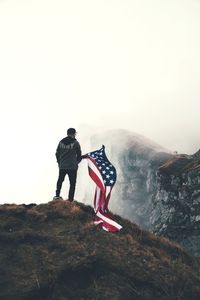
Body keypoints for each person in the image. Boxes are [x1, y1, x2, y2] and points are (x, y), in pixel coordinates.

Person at [53, 128, 82, 201]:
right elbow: (79, 154)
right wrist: (77, 162)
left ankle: (57, 195)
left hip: (62, 166)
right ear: (73, 134)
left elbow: (57, 153)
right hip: (72, 167)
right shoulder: (75, 143)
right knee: (72, 183)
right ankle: (70, 199)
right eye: (75, 134)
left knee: (60, 181)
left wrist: (59, 162)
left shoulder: (61, 142)